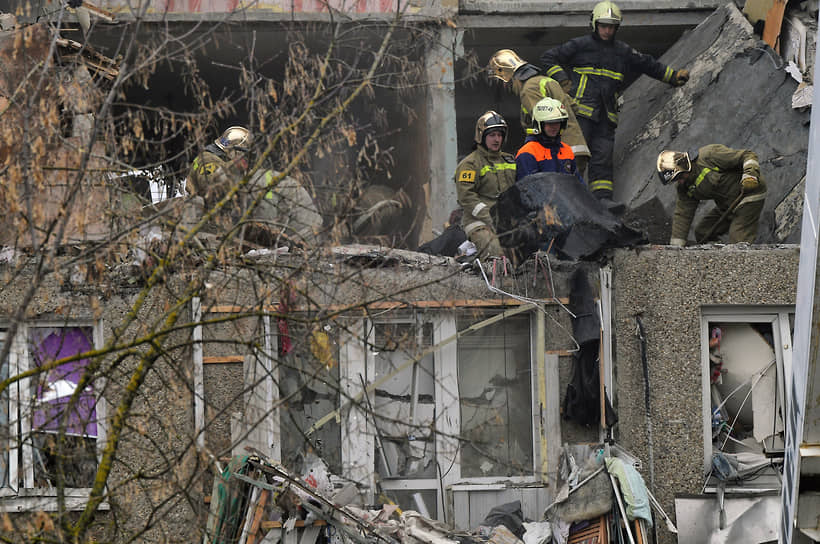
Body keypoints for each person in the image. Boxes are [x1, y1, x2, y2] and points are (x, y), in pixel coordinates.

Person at [540, 1, 689, 207]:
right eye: (603, 25)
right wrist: (563, 80)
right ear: (594, 24)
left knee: (602, 162)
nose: (607, 30)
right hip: (580, 114)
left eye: (611, 26)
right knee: (573, 157)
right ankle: (564, 200)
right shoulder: (580, 45)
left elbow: (647, 64)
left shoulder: (622, 51)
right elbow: (548, 58)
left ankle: (602, 203)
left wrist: (672, 76)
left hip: (606, 118)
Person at [487, 48, 590, 176]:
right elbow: (574, 107)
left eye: (506, 82)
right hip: (578, 148)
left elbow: (543, 118)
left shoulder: (529, 89)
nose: (509, 87)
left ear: (511, 76)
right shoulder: (548, 81)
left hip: (558, 152)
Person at [656, 145, 766, 245]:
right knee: (703, 232)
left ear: (684, 166)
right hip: (727, 205)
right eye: (675, 180)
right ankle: (717, 258)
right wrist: (676, 247)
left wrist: (750, 176)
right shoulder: (685, 187)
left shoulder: (709, 156)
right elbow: (683, 214)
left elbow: (747, 155)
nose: (679, 182)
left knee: (738, 241)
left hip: (748, 196)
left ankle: (741, 261)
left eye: (679, 177)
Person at [455, 111, 516, 259]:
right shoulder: (470, 164)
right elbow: (466, 197)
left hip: (507, 222)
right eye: (492, 135)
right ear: (481, 136)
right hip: (478, 222)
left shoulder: (510, 160)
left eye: (500, 135)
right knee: (496, 253)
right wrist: (489, 217)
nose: (497, 139)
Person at [515, 97, 583, 183]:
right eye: (550, 123)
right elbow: (527, 189)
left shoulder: (567, 150)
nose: (554, 127)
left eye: (558, 122)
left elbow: (578, 184)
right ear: (539, 124)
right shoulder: (528, 153)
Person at [187, 126, 252, 211]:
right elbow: (208, 187)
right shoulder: (208, 160)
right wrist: (234, 166)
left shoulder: (218, 160)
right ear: (236, 150)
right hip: (205, 216)